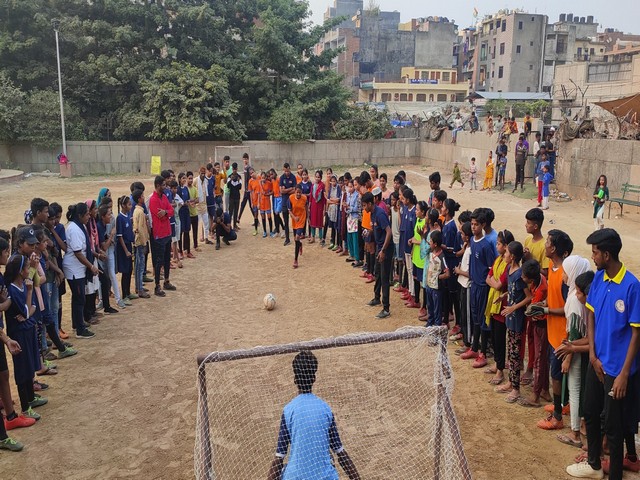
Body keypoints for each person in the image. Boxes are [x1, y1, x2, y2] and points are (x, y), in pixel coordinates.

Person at [566, 229, 640, 480]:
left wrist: (624, 375)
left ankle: (616, 475)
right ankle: (594, 464)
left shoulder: (632, 286)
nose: (593, 257)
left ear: (606, 254)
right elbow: (591, 315)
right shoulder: (598, 279)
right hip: (597, 363)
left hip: (617, 369)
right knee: (590, 411)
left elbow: (636, 334)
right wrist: (594, 357)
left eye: (595, 252)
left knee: (614, 426)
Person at [267, 351, 360, 480]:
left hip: (295, 477)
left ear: (295, 379)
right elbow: (340, 453)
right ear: (314, 378)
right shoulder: (325, 409)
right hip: (325, 477)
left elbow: (279, 458)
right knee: (331, 458)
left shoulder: (288, 410)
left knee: (284, 468)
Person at [536, 230, 574, 431]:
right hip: (553, 331)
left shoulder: (565, 275)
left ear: (555, 248)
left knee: (556, 375)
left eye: (548, 242)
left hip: (562, 335)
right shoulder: (551, 267)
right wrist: (544, 304)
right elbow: (553, 297)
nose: (545, 245)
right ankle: (563, 405)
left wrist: (546, 309)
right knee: (558, 374)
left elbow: (568, 307)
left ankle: (557, 416)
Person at [553, 256, 591, 449]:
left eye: (566, 272)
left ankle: (575, 432)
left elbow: (574, 331)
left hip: (575, 350)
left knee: (574, 390)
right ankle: (582, 425)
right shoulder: (579, 295)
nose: (564, 276)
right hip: (581, 349)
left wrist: (568, 357)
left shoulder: (575, 300)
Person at [3, 254, 46, 422]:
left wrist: (28, 310)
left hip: (27, 330)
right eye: (27, 268)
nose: (30, 270)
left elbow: (31, 308)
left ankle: (31, 397)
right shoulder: (14, 289)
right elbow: (27, 311)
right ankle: (26, 406)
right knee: (23, 369)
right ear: (20, 271)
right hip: (19, 334)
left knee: (30, 365)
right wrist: (29, 296)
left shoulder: (22, 285)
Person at [496, 241, 531, 403]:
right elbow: (511, 289)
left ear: (513, 256)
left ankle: (516, 389)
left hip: (517, 318)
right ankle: (511, 382)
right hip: (510, 317)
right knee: (511, 352)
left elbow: (528, 296)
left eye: (507, 253)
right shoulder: (510, 270)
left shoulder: (519, 274)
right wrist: (503, 297)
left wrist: (513, 307)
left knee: (516, 354)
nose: (504, 255)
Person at [460, 209, 495, 367]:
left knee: (482, 320)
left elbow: (490, 268)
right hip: (473, 285)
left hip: (482, 287)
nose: (473, 227)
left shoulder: (486, 245)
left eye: (476, 224)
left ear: (483, 225)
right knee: (475, 317)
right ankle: (474, 347)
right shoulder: (472, 241)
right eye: (472, 224)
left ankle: (483, 353)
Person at [518, 259, 551, 408]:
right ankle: (544, 389)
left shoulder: (541, 289)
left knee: (539, 358)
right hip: (538, 322)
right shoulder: (539, 280)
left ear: (530, 279)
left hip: (541, 324)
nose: (522, 278)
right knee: (541, 357)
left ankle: (536, 395)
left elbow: (534, 312)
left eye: (524, 277)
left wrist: (527, 310)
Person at [63, 203, 98, 339]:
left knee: (78, 298)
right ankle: (80, 329)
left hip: (78, 268)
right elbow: (78, 253)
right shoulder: (74, 229)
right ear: (80, 215)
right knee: (79, 298)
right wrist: (91, 266)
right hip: (74, 268)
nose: (89, 217)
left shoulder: (80, 226)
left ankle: (77, 323)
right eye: (87, 214)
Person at [484, 229, 513, 383]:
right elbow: (488, 278)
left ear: (506, 246)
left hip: (502, 305)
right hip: (494, 303)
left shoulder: (508, 265)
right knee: (495, 337)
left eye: (499, 244)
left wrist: (494, 283)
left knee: (500, 338)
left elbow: (499, 284)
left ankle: (500, 370)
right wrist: (494, 283)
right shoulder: (499, 260)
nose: (497, 246)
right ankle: (497, 364)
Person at [363, 192, 393, 319]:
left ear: (370, 203)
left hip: (385, 249)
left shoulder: (380, 214)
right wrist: (368, 231)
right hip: (379, 247)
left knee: (385, 277)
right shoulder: (372, 213)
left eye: (364, 205)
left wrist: (383, 251)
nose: (363, 207)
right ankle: (377, 298)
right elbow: (376, 229)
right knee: (377, 273)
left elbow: (389, 232)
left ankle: (386, 308)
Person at [148, 175, 175, 297]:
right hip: (159, 234)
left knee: (166, 259)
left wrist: (166, 212)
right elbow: (160, 215)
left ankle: (166, 281)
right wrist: (166, 213)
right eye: (163, 185)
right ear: (158, 186)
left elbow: (171, 211)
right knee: (159, 261)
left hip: (167, 233)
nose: (165, 187)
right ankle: (157, 285)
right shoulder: (153, 200)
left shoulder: (163, 197)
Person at [424, 230, 449, 326]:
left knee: (437, 309)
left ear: (435, 244)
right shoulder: (431, 252)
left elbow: (447, 273)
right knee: (430, 307)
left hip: (436, 288)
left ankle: (437, 328)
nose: (429, 243)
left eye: (430, 241)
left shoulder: (442, 257)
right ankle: (429, 324)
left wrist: (438, 277)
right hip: (429, 285)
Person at [131, 190, 150, 299]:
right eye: (142, 196)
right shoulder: (140, 212)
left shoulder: (137, 211)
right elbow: (141, 229)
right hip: (140, 241)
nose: (144, 197)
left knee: (139, 265)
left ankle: (138, 287)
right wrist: (144, 242)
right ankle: (140, 289)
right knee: (140, 265)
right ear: (139, 199)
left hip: (139, 241)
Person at [289, 185, 307, 269]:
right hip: (294, 220)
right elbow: (289, 210)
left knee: (297, 237)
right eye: (297, 192)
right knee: (296, 240)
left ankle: (295, 260)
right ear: (295, 192)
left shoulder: (304, 198)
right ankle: (300, 245)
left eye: (300, 192)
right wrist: (294, 217)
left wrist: (308, 218)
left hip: (301, 219)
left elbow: (306, 207)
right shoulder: (291, 198)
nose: (298, 194)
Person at [279, 163, 296, 246]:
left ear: (290, 169)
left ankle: (296, 237)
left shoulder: (293, 177)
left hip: (292, 202)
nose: (287, 172)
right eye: (285, 171)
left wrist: (286, 189)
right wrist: (290, 189)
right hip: (284, 203)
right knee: (286, 221)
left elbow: (295, 190)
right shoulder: (282, 178)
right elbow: (281, 191)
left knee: (294, 220)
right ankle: (287, 239)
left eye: (288, 170)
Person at [309, 170, 326, 245]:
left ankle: (320, 238)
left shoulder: (322, 186)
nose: (317, 178)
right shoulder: (313, 185)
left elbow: (324, 198)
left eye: (318, 177)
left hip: (319, 206)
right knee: (313, 222)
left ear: (321, 178)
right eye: (316, 177)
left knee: (319, 223)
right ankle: (313, 237)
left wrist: (324, 208)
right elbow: (310, 197)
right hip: (313, 206)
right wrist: (309, 205)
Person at [258, 171, 274, 239]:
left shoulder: (269, 183)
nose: (263, 179)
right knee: (263, 217)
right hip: (261, 203)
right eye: (262, 178)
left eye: (264, 178)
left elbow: (272, 192)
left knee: (269, 217)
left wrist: (267, 194)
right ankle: (264, 231)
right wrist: (258, 203)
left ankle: (271, 231)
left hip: (267, 202)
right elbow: (258, 194)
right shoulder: (259, 184)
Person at [227, 166, 242, 231]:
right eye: (233, 169)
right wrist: (231, 180)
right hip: (231, 197)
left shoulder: (239, 177)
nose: (234, 170)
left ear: (237, 169)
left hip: (237, 197)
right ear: (232, 169)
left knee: (236, 211)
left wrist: (238, 181)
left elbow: (240, 187)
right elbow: (228, 186)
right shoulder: (229, 176)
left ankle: (235, 225)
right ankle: (229, 225)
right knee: (230, 212)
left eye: (235, 169)